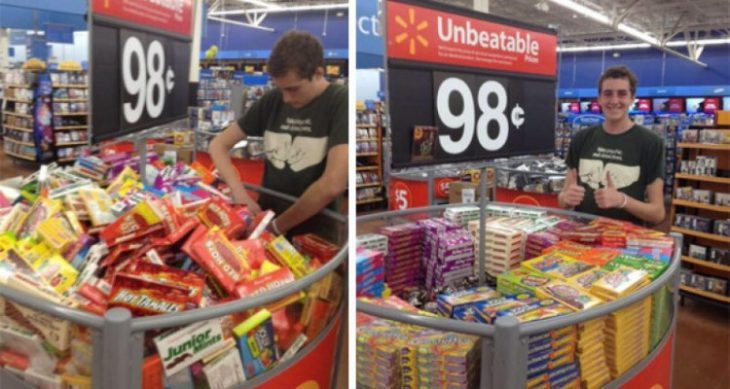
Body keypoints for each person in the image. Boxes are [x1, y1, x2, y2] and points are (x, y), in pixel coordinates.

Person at [208, 31, 348, 237]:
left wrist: (277, 227)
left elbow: (333, 184)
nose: (286, 98)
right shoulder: (272, 100)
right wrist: (240, 194)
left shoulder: (339, 101)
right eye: (281, 88)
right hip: (266, 220)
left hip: (314, 235)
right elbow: (218, 145)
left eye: (293, 89)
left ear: (318, 73)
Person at [559, 66, 665, 225]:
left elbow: (658, 213)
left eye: (622, 94)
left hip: (625, 243)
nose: (614, 101)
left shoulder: (651, 143)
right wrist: (567, 198)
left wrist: (622, 200)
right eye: (608, 94)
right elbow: (563, 201)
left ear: (632, 98)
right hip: (582, 239)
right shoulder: (581, 139)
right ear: (600, 98)